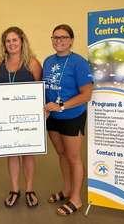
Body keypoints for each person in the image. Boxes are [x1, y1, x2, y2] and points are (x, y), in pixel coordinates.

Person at [43, 24, 93, 216]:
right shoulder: (48, 61)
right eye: (55, 37)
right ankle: (66, 190)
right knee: (62, 154)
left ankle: (76, 198)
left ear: (71, 40)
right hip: (53, 118)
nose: (59, 41)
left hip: (72, 116)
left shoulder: (78, 62)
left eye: (63, 37)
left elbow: (87, 94)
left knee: (73, 158)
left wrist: (62, 106)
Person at [0, 26, 42, 208]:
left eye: (15, 40)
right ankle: (15, 189)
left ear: (22, 41)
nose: (12, 44)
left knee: (27, 154)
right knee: (12, 153)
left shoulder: (33, 63)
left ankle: (29, 189)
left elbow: (40, 92)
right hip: (6, 118)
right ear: (4, 44)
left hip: (27, 119)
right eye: (8, 41)